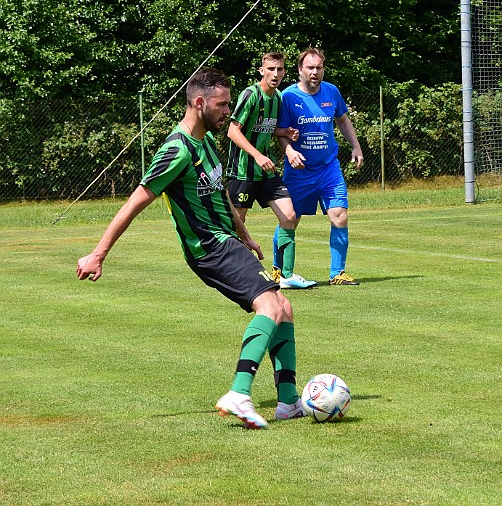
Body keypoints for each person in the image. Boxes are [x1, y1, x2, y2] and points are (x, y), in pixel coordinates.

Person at [76, 67, 305, 429]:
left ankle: (289, 402)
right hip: (209, 248)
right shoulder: (176, 150)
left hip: (227, 241)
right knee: (270, 306)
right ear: (199, 103)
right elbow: (135, 202)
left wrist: (244, 234)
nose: (228, 111)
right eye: (222, 104)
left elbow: (221, 196)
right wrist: (98, 253)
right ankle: (239, 393)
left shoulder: (206, 143)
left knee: (284, 306)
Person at [273, 47, 364, 285]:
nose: (315, 72)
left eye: (319, 68)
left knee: (340, 216)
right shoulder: (288, 97)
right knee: (289, 220)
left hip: (329, 169)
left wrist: (356, 146)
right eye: (310, 68)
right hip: (300, 171)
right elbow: (280, 132)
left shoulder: (332, 92)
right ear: (300, 70)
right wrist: (289, 150)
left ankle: (337, 273)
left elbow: (342, 120)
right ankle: (278, 269)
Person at [226, 52, 316, 289]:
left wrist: (284, 133)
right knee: (238, 224)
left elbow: (267, 128)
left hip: (266, 173)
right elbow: (233, 131)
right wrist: (257, 155)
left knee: (289, 215)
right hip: (243, 172)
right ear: (261, 71)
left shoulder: (277, 98)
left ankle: (286, 275)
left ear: (285, 72)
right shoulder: (250, 95)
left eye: (280, 69)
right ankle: (233, 274)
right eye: (271, 69)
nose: (276, 74)